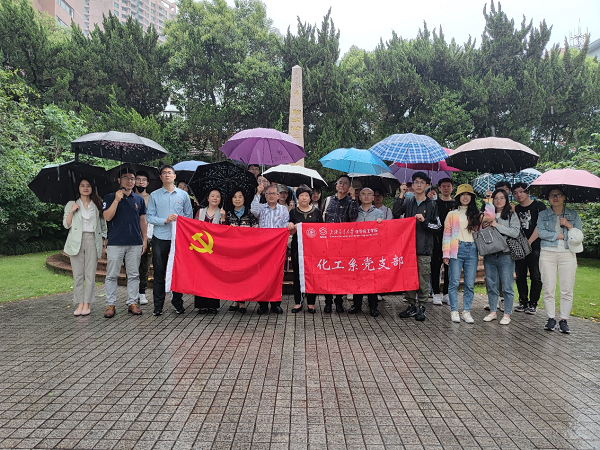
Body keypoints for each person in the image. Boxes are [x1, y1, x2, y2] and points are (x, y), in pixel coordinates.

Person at [393, 171, 441, 321]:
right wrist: (401, 194)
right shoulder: (408, 203)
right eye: (416, 182)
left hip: (424, 249)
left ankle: (422, 306)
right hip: (408, 248)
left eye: (422, 182)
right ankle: (411, 305)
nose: (418, 185)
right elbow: (396, 213)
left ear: (427, 185)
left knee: (422, 279)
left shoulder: (432, 204)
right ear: (412, 185)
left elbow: (438, 227)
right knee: (408, 278)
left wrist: (424, 222)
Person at [146, 165, 193, 316]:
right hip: (160, 237)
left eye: (170, 173)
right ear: (161, 177)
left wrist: (180, 220)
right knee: (159, 272)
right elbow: (149, 217)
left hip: (178, 238)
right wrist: (164, 220)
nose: (167, 175)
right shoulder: (154, 195)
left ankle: (177, 302)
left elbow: (189, 216)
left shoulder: (183, 195)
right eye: (164, 173)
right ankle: (158, 306)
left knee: (177, 271)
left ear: (174, 176)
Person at [102, 168, 147, 318]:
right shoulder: (110, 197)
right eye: (126, 178)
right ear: (119, 180)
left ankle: (132, 302)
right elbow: (107, 217)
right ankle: (110, 304)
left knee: (133, 274)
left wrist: (144, 239)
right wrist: (116, 200)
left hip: (135, 242)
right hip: (115, 242)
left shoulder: (139, 199)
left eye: (132, 178)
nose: (130, 181)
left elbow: (142, 220)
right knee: (112, 275)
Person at [537, 188, 583, 334]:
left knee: (567, 287)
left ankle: (564, 319)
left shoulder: (573, 215)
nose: (555, 198)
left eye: (558, 195)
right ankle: (551, 318)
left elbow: (579, 235)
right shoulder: (543, 214)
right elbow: (541, 232)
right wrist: (559, 236)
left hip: (567, 253)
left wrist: (568, 225)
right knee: (548, 286)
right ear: (548, 198)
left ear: (564, 197)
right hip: (548, 252)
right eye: (552, 195)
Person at [63, 178, 107, 316]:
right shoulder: (71, 204)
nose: (85, 188)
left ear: (92, 188)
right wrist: (72, 211)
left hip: (93, 239)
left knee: (90, 273)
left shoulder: (97, 204)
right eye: (82, 185)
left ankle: (87, 303)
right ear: (78, 188)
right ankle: (79, 303)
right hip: (76, 240)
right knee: (78, 274)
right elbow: (66, 224)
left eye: (88, 185)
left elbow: (103, 226)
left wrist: (104, 243)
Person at [442, 184, 480, 324]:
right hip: (456, 248)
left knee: (469, 283)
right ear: (458, 197)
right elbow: (447, 234)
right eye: (462, 194)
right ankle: (454, 310)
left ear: (472, 197)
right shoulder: (452, 214)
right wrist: (446, 253)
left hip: (472, 249)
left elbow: (489, 219)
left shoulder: (476, 214)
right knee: (454, 282)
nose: (465, 197)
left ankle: (466, 311)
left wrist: (488, 201)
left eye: (468, 194)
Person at [481, 189, 520, 325]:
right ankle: (493, 312)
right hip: (489, 254)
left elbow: (514, 232)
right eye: (496, 198)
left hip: (505, 255)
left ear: (506, 200)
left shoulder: (511, 215)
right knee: (492, 284)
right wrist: (484, 224)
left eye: (502, 198)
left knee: (507, 286)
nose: (498, 201)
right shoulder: (487, 213)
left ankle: (507, 314)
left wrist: (496, 224)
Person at [321, 174, 359, 313]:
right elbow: (321, 219)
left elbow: (353, 216)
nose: (342, 185)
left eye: (345, 183)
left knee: (340, 274)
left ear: (349, 187)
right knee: (327, 273)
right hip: (327, 243)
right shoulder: (328, 200)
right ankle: (328, 302)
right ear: (336, 185)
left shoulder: (350, 202)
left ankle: (339, 301)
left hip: (343, 244)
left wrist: (353, 199)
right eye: (340, 182)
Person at [251, 183, 290, 314]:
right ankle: (262, 304)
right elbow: (253, 211)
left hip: (277, 248)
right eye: (268, 193)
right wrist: (258, 193)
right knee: (261, 275)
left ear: (278, 196)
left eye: (274, 193)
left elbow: (285, 226)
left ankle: (275, 303)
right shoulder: (261, 207)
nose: (271, 196)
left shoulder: (283, 210)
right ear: (265, 195)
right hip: (263, 248)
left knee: (276, 275)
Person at [512, 182, 547, 314]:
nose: (518, 195)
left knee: (535, 276)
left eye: (521, 191)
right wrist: (512, 213)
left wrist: (530, 241)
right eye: (515, 193)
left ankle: (533, 304)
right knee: (520, 276)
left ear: (527, 192)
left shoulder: (538, 206)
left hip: (535, 246)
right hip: (519, 247)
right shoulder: (515, 209)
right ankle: (523, 301)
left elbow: (541, 225)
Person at [288, 185, 323, 313]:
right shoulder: (293, 212)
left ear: (310, 197)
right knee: (297, 274)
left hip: (313, 248)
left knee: (312, 274)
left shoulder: (316, 212)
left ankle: (311, 302)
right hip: (297, 247)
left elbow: (321, 230)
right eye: (301, 195)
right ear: (297, 198)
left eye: (306, 195)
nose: (304, 198)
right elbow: (290, 232)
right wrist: (292, 226)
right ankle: (298, 301)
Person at [350, 187, 384, 317]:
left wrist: (381, 224)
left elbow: (385, 232)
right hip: (357, 250)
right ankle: (356, 305)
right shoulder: (354, 212)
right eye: (363, 194)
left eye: (369, 194)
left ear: (373, 197)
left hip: (372, 251)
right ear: (359, 197)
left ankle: (373, 306)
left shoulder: (379, 213)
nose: (366, 196)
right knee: (357, 278)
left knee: (372, 279)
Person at [224, 190, 258, 313]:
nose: (237, 199)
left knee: (244, 276)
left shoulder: (250, 214)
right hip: (232, 251)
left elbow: (256, 230)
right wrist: (227, 227)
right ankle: (235, 300)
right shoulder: (228, 214)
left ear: (244, 199)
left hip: (246, 251)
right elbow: (222, 231)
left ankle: (242, 301)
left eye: (240, 197)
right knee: (233, 276)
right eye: (234, 197)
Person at [194, 189, 225, 314]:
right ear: (208, 198)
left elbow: (225, 232)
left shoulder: (222, 213)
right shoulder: (200, 212)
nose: (215, 198)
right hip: (201, 249)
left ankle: (213, 305)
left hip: (215, 250)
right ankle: (201, 305)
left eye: (218, 196)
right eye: (212, 196)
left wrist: (223, 219)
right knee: (201, 276)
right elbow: (193, 228)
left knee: (214, 276)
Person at [432, 178, 454, 305]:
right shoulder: (434, 204)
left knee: (450, 268)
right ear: (439, 188)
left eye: (448, 186)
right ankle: (435, 293)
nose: (446, 188)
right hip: (437, 239)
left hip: (452, 241)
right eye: (443, 186)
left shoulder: (456, 204)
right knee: (435, 267)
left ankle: (446, 294)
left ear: (452, 188)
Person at [135, 171, 152, 305]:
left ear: (147, 183)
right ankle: (132, 292)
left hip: (149, 234)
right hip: (133, 235)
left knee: (145, 266)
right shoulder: (129, 197)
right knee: (132, 266)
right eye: (138, 179)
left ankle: (142, 292)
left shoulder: (152, 198)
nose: (141, 182)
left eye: (144, 180)